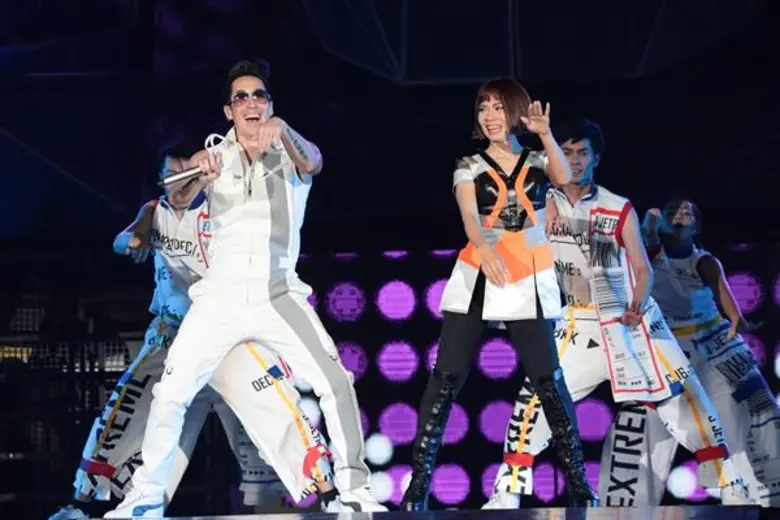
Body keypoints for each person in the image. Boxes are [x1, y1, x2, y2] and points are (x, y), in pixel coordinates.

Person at [107, 60, 385, 517]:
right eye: (241, 97)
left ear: (270, 104)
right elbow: (175, 198)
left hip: (278, 293)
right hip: (220, 297)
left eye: (259, 96)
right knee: (171, 392)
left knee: (335, 380)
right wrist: (198, 176)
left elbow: (314, 161)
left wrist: (284, 130)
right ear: (229, 110)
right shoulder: (215, 154)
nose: (251, 103)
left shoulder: (288, 150)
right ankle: (145, 497)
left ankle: (355, 489)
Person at [51, 144, 331, 520]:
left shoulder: (222, 210)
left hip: (227, 342)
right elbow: (124, 239)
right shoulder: (155, 212)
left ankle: (331, 493)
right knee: (131, 417)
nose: (181, 184)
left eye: (189, 174)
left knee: (271, 420)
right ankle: (85, 505)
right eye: (173, 176)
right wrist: (137, 238)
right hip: (172, 341)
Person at [482, 119, 747, 509]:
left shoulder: (617, 207)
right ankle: (507, 491)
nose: (574, 161)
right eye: (566, 153)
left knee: (684, 398)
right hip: (579, 322)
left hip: (630, 321)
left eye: (582, 153)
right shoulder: (541, 203)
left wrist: (637, 304)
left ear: (596, 158)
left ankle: (729, 484)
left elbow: (643, 269)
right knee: (536, 397)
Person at [400, 78, 597, 511]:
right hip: (481, 268)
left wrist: (546, 133)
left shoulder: (538, 158)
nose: (489, 116)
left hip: (529, 271)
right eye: (483, 108)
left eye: (498, 107)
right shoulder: (468, 164)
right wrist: (484, 247)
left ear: (516, 112)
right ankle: (418, 484)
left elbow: (564, 177)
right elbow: (469, 215)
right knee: (446, 377)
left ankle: (580, 484)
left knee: (548, 380)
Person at [600, 197, 780, 506]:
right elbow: (647, 229)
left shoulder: (705, 261)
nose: (682, 215)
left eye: (689, 212)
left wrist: (737, 320)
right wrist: (653, 221)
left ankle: (759, 498)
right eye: (675, 212)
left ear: (697, 227)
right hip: (665, 347)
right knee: (642, 427)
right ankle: (623, 507)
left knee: (748, 413)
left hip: (713, 345)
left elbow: (724, 294)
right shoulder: (649, 254)